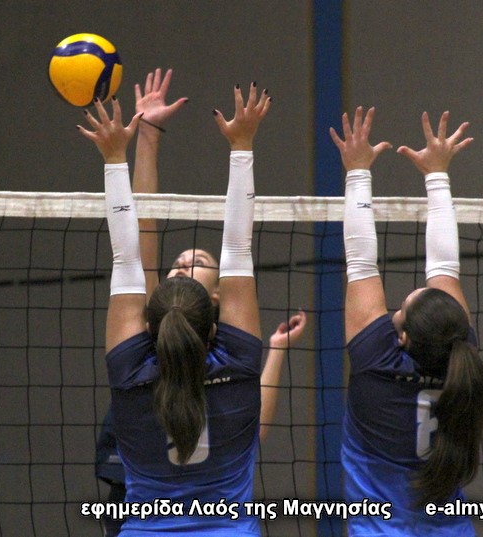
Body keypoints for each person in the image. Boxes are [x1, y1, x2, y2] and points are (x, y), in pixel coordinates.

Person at [93, 71, 305, 536]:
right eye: (178, 264)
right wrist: (236, 146)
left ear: (217, 301)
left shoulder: (132, 367)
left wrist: (115, 157)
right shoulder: (238, 359)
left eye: (196, 263)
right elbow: (230, 248)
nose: (182, 267)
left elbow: (130, 250)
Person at [329, 107, 483, 536]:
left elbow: (361, 260)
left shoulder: (376, 363)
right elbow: (444, 266)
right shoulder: (459, 359)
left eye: (397, 311)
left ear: (401, 338)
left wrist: (358, 171)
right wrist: (437, 175)